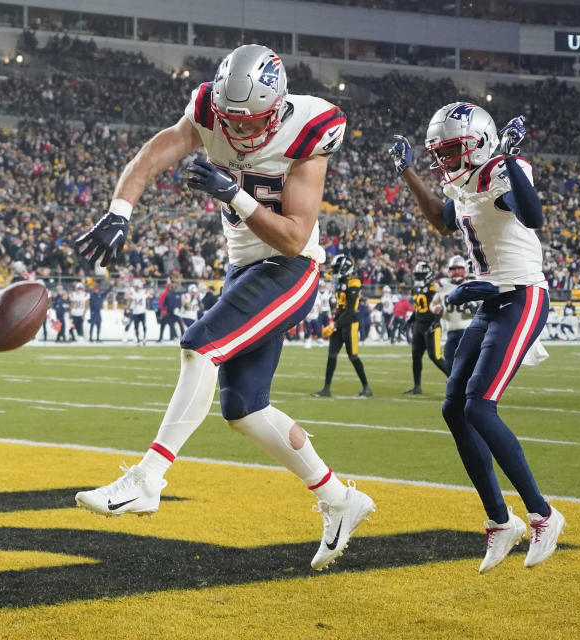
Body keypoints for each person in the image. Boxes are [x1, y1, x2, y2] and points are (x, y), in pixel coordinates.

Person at [73, 44, 374, 571]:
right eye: (231, 119)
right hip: (243, 269)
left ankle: (147, 479)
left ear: (277, 107)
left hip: (290, 268)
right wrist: (120, 211)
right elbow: (152, 153)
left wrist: (234, 194)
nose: (237, 130)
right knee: (245, 410)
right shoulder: (208, 109)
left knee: (198, 346)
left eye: (250, 120)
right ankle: (340, 500)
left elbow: (294, 237)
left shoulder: (311, 127)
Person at [389, 104, 563, 572]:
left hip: (522, 295)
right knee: (453, 407)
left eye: (451, 148)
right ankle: (499, 520)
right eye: (439, 152)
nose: (445, 159)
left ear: (481, 142)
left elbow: (534, 215)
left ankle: (543, 514)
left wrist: (506, 157)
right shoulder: (461, 182)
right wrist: (407, 172)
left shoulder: (504, 170)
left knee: (479, 406)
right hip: (491, 299)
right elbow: (443, 221)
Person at [311, 254, 372, 398]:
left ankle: (367, 388)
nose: (335, 271)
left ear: (345, 268)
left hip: (350, 323)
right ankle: (326, 388)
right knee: (332, 355)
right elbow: (340, 307)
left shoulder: (354, 282)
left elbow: (350, 310)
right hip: (339, 322)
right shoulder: (341, 282)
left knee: (353, 356)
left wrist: (335, 324)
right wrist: (334, 322)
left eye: (337, 268)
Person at [402, 261, 448, 395]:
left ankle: (456, 383)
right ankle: (417, 386)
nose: (418, 278)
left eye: (420, 276)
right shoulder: (416, 289)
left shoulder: (434, 288)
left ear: (427, 276)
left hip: (431, 324)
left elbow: (439, 308)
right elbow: (417, 309)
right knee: (416, 356)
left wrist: (435, 323)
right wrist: (409, 321)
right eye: (417, 275)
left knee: (435, 357)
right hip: (419, 324)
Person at [432, 254, 478, 374]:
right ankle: (455, 390)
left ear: (465, 270)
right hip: (451, 333)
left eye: (459, 269)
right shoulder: (443, 285)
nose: (456, 272)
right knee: (450, 366)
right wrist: (435, 308)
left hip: (469, 332)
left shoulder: (473, 284)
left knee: (468, 367)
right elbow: (433, 303)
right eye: (453, 269)